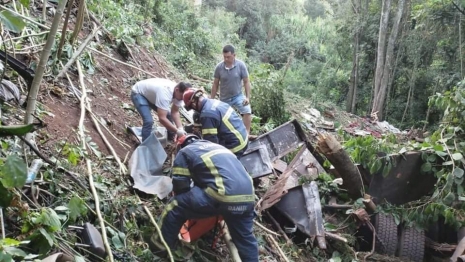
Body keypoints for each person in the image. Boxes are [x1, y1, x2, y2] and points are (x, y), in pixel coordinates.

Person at [156, 134, 258, 262]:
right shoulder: (220, 149)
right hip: (248, 199)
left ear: (181, 145)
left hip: (222, 195)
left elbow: (180, 186)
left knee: (175, 206)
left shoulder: (185, 151)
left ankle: (159, 249)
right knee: (245, 239)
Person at [183, 88, 248, 157]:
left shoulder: (207, 114)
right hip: (244, 139)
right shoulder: (214, 102)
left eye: (191, 107)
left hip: (236, 147)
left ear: (193, 103)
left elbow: (211, 144)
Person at [211, 44, 255, 139]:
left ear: (234, 55)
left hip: (237, 96)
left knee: (247, 110)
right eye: (224, 57)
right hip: (224, 98)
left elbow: (246, 81)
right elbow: (215, 84)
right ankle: (225, 136)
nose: (226, 59)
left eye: (228, 57)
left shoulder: (241, 65)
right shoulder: (219, 67)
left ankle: (246, 134)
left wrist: (247, 97)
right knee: (221, 117)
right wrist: (211, 99)